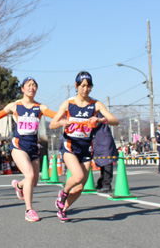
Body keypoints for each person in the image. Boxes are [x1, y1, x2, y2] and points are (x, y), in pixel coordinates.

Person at [0, 77, 57, 222]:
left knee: (33, 181)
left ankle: (19, 185)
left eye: (34, 85)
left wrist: (64, 117)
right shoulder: (15, 106)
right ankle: (29, 210)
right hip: (19, 146)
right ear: (22, 89)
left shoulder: (40, 107)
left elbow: (53, 115)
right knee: (30, 175)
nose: (31, 88)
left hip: (34, 146)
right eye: (29, 85)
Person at [50, 71, 119, 222]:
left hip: (86, 147)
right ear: (76, 86)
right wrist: (62, 122)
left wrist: (100, 120)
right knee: (78, 176)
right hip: (70, 145)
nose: (85, 89)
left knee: (81, 187)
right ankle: (64, 191)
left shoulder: (96, 104)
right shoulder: (68, 103)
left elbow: (115, 121)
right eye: (83, 86)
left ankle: (63, 208)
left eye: (88, 86)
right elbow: (52, 124)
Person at [93, 112, 118, 193]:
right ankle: (101, 182)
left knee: (107, 161)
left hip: (104, 139)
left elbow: (107, 120)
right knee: (101, 162)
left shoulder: (97, 112)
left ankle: (106, 184)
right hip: (96, 140)